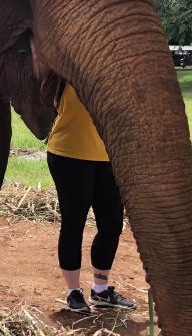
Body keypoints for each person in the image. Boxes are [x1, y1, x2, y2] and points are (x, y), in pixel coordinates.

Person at [47, 82, 137, 315]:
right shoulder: (61, 74)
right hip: (68, 155)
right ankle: (73, 292)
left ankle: (101, 289)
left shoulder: (115, 74)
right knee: (73, 224)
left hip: (110, 157)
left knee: (112, 225)